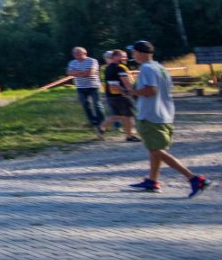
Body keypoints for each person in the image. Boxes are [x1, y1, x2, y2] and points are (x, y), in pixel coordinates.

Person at [125, 40, 207, 196]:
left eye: (133, 52)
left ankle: (193, 178)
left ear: (140, 53)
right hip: (165, 113)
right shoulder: (160, 68)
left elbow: (151, 90)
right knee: (155, 150)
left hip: (150, 114)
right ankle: (152, 181)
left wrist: (131, 92)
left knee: (156, 150)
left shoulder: (146, 68)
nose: (132, 55)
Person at [66, 47, 105, 136]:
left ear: (84, 53)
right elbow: (69, 73)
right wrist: (82, 73)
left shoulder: (92, 61)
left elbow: (90, 72)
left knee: (97, 104)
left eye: (78, 53)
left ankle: (102, 123)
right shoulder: (72, 62)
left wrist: (77, 73)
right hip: (80, 87)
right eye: (75, 53)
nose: (76, 55)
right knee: (85, 104)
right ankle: (93, 121)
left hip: (93, 86)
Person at [102, 49, 138, 142]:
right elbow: (126, 82)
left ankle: (101, 127)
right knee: (128, 116)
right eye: (123, 56)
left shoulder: (108, 68)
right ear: (115, 57)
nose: (126, 58)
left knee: (118, 115)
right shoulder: (120, 67)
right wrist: (131, 92)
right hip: (122, 95)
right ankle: (129, 136)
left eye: (126, 56)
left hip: (110, 95)